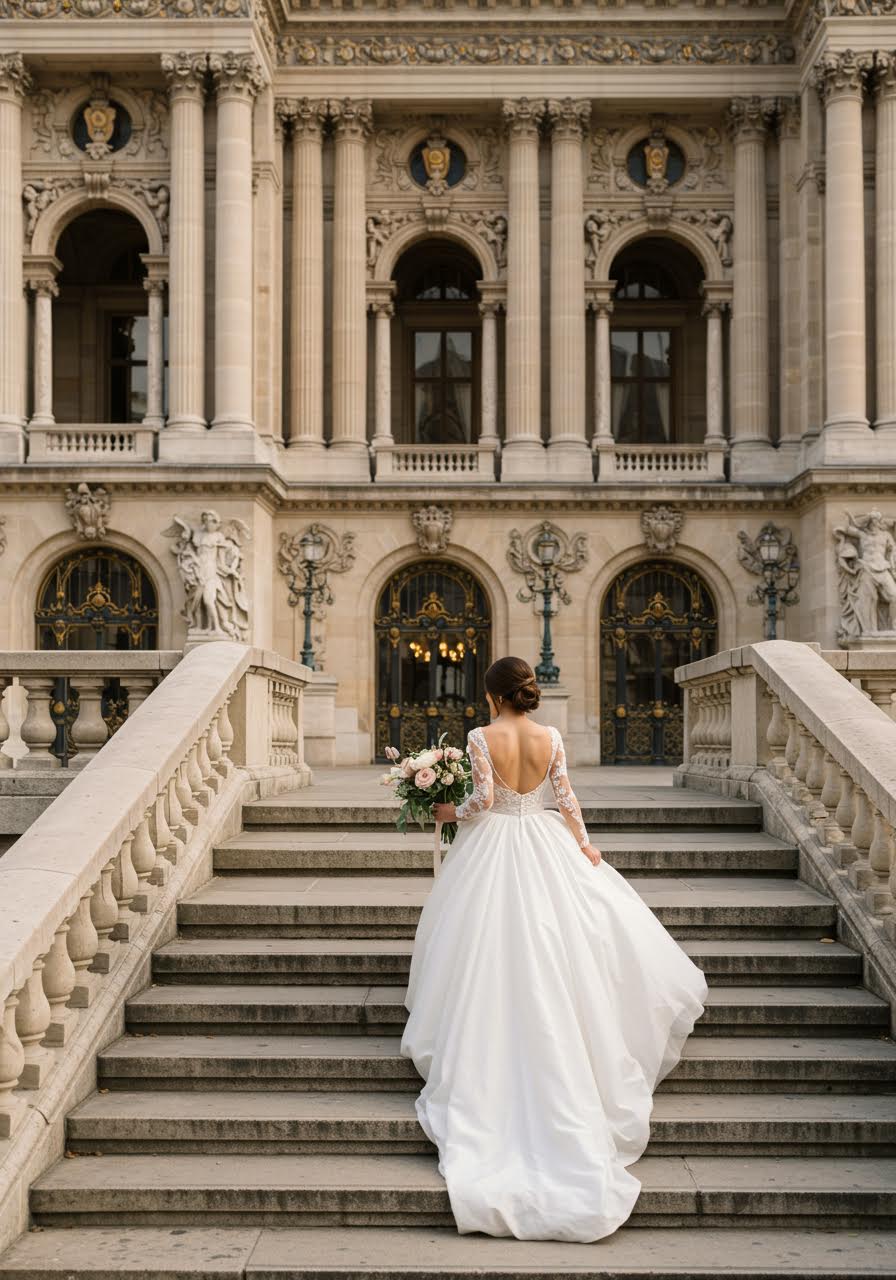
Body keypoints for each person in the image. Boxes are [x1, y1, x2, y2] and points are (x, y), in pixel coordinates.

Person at [400, 655, 708, 1243]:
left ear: (491, 697)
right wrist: (586, 848)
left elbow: (483, 801)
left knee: (479, 945)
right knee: (558, 945)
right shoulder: (551, 736)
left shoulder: (479, 736)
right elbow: (565, 799)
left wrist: (446, 811)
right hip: (545, 842)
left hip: (494, 848)